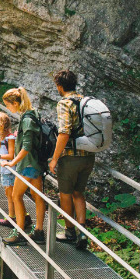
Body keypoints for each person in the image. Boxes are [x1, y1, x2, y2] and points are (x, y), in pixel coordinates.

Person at [49, 69, 93, 250]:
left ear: (59, 86)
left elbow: (64, 132)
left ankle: (69, 231)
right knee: (79, 193)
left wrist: (54, 158)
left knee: (65, 194)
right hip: (88, 156)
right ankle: (82, 232)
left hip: (70, 158)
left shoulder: (65, 103)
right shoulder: (85, 101)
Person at [0, 87, 46, 245]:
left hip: (28, 164)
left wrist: (12, 162)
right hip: (37, 162)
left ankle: (19, 233)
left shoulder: (27, 119)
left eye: (8, 105)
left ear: (15, 103)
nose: (8, 108)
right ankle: (39, 231)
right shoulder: (33, 113)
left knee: (16, 196)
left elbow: (26, 146)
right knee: (37, 196)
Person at [0, 112, 27, 229]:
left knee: (11, 195)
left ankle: (12, 217)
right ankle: (23, 216)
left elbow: (10, 155)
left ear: (1, 125)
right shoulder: (0, 135)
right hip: (3, 169)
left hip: (9, 169)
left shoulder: (10, 138)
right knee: (8, 193)